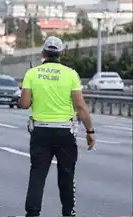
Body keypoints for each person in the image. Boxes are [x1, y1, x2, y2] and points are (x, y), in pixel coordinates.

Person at [20, 36, 96, 217]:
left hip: (40, 131)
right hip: (64, 132)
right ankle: (68, 212)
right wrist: (90, 131)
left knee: (37, 173)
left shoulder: (32, 73)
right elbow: (80, 106)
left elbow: (24, 104)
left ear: (43, 53)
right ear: (61, 54)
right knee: (67, 175)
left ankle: (32, 212)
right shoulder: (70, 74)